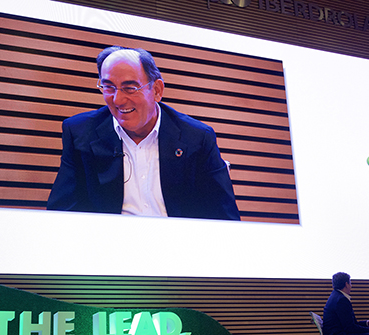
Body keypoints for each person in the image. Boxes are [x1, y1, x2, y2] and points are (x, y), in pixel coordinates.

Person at [47, 45, 240, 220]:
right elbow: (61, 212)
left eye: (130, 88)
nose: (118, 100)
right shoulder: (80, 132)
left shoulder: (197, 138)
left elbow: (224, 217)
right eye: (108, 87)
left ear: (156, 90)